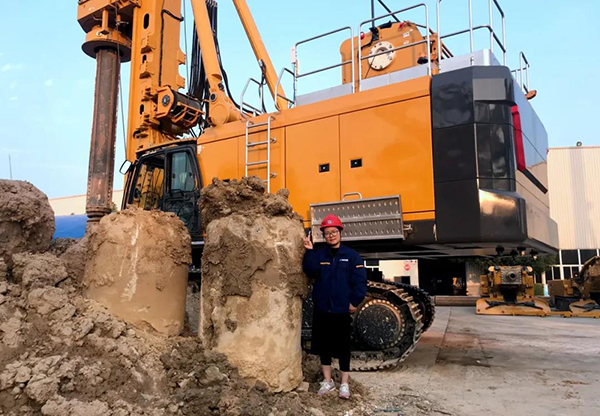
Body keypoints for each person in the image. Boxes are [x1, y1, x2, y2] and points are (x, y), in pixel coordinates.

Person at [302, 213, 367, 399]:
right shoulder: (320, 255)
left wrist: (354, 302)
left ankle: (344, 383)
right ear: (324, 235)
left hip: (341, 309)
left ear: (340, 232)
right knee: (324, 346)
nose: (331, 235)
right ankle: (328, 381)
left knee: (343, 346)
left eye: (334, 232)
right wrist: (309, 250)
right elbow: (309, 270)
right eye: (327, 233)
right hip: (323, 308)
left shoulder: (351, 256)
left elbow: (360, 281)